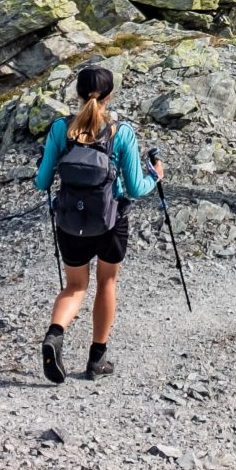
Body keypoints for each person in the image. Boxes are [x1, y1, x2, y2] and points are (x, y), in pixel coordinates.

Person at [34, 64, 160, 383]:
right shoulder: (121, 132)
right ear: (111, 94)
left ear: (76, 94)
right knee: (106, 283)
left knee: (75, 286)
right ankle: (97, 359)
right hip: (110, 220)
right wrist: (154, 177)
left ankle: (55, 333)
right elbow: (134, 188)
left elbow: (42, 181)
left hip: (69, 221)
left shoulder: (61, 129)